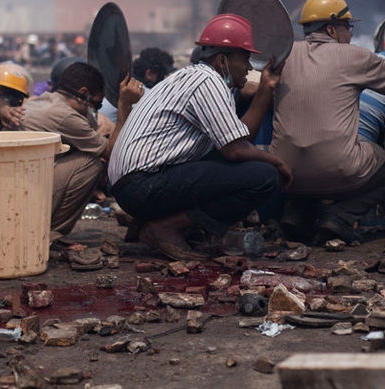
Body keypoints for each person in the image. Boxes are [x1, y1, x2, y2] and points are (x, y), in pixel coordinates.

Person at [107, 14, 292, 261]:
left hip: (131, 185)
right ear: (222, 60)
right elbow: (235, 150)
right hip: (141, 185)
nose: (249, 67)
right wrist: (276, 162)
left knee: (239, 160)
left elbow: (240, 138)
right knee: (263, 177)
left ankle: (149, 223)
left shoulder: (193, 77)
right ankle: (167, 227)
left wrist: (265, 87)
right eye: (245, 58)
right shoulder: (207, 81)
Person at [270, 0, 385, 244]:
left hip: (284, 172)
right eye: (347, 27)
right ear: (331, 30)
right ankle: (338, 217)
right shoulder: (354, 56)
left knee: (303, 147)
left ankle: (297, 213)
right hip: (338, 170)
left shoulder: (283, 56)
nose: (350, 34)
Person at [20, 62, 141, 242]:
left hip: (20, 183)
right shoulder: (66, 116)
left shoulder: (44, 100)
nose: (94, 111)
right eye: (97, 105)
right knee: (90, 164)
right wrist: (124, 107)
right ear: (83, 94)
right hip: (25, 190)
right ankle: (49, 235)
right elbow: (111, 153)